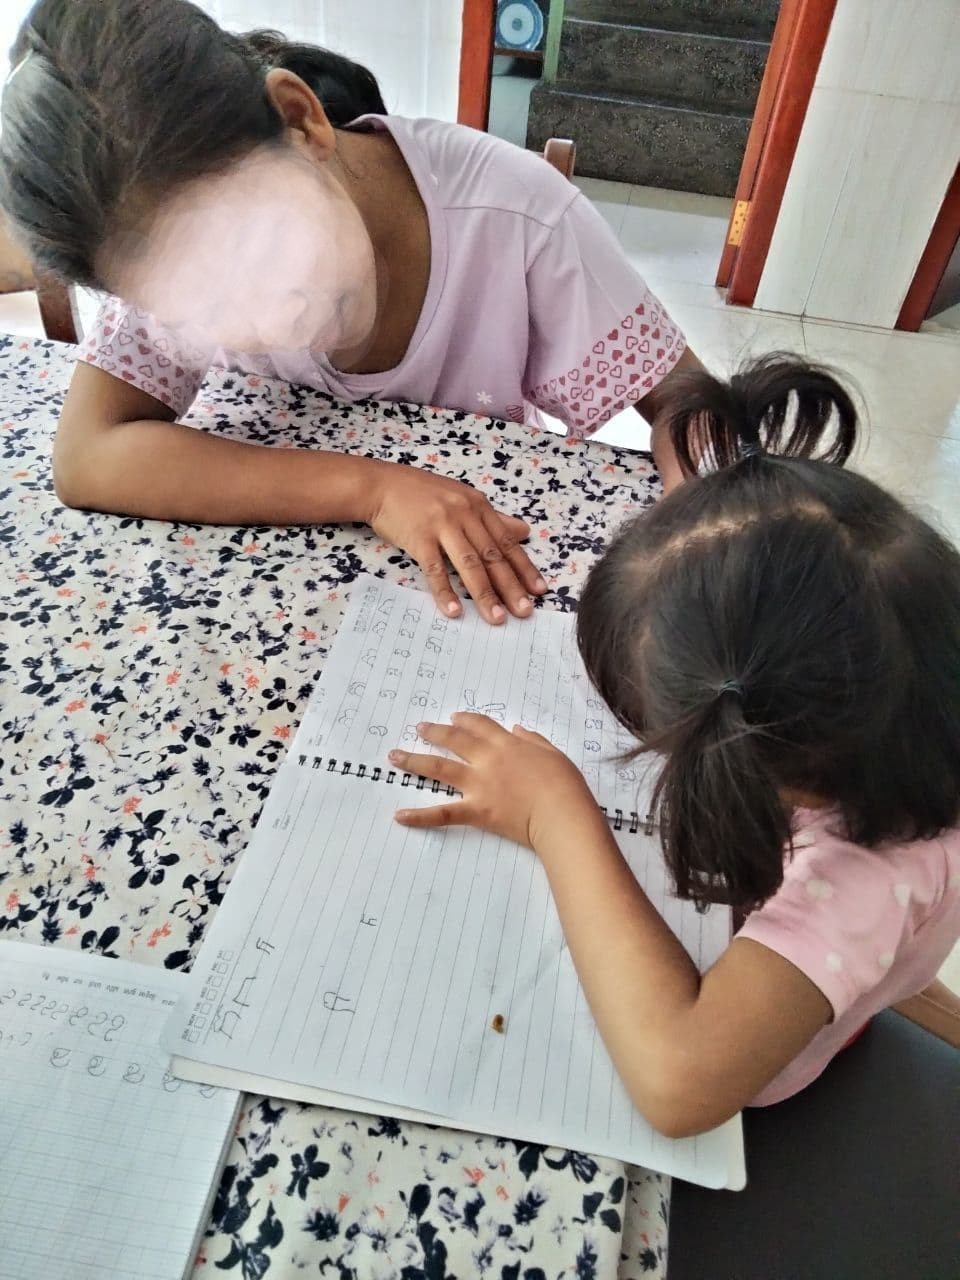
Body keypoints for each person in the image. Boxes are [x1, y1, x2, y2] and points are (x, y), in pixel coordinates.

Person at [390, 356, 960, 1137]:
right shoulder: (909, 675)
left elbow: (678, 1088)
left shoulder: (855, 879)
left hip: (771, 1081)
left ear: (760, 752)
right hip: (864, 960)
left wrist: (557, 816)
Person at [0, 0, 701, 626]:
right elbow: (88, 455)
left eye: (263, 249)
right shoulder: (145, 231)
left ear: (300, 120)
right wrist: (372, 488)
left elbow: (691, 405)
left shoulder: (519, 217)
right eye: (203, 309)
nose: (278, 324)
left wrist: (706, 541)